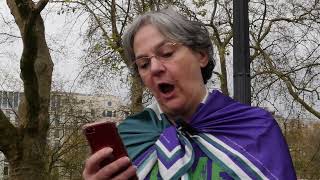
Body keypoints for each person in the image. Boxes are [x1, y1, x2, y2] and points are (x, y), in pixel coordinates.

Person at [83, 7, 296, 180]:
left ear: (201, 55)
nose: (155, 68)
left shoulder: (256, 129)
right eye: (143, 64)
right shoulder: (129, 139)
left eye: (166, 53)